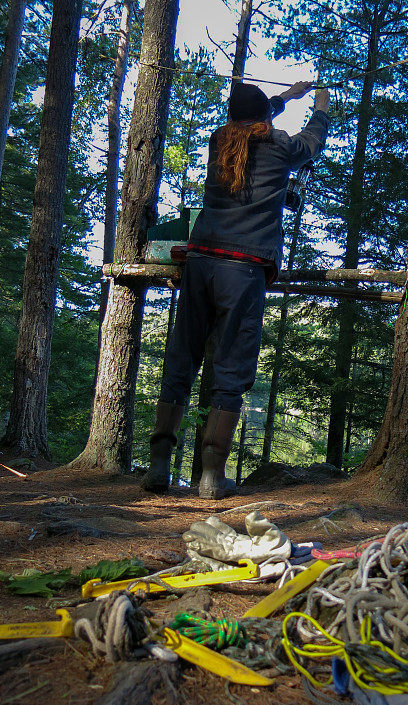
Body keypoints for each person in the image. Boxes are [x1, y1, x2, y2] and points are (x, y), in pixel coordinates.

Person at [141, 80, 331, 498]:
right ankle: (211, 475)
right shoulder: (281, 146)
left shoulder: (219, 142)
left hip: (201, 262)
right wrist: (319, 106)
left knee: (182, 358)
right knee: (231, 367)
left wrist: (287, 98)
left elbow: (252, 119)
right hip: (242, 270)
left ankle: (158, 466)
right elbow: (312, 142)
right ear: (264, 118)